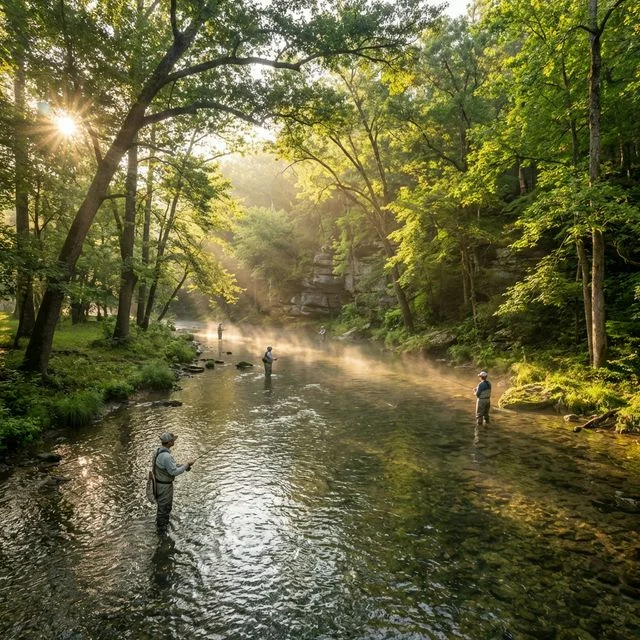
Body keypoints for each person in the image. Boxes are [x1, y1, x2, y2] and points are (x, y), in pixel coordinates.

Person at [152, 432, 194, 530]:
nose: (174, 441)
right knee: (165, 508)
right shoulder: (166, 456)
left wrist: (183, 466)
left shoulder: (158, 451)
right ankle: (162, 531)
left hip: (159, 484)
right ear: (169, 442)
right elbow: (173, 472)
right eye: (173, 440)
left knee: (162, 508)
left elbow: (169, 467)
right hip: (164, 487)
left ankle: (161, 525)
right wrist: (186, 465)